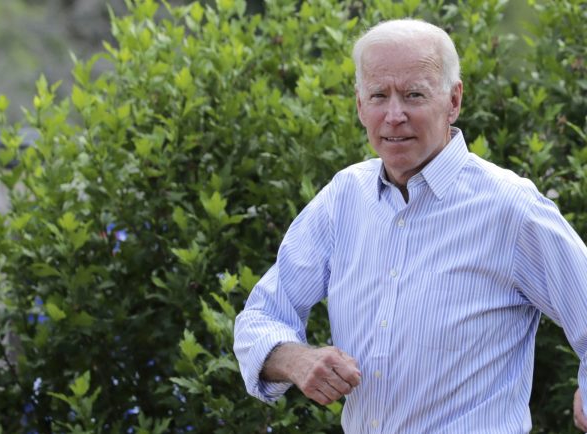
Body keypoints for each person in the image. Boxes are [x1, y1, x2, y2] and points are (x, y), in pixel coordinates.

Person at [233, 18, 587, 433]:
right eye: (379, 95)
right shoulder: (343, 198)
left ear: (453, 101)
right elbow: (261, 315)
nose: (394, 115)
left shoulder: (510, 208)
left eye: (414, 95)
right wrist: (296, 359)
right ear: (359, 104)